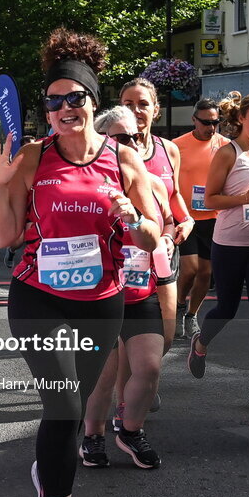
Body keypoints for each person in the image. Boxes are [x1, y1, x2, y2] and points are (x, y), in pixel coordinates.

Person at [0, 28, 161, 497]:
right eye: (53, 101)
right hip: (38, 294)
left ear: (92, 101)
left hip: (102, 298)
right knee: (62, 406)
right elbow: (6, 237)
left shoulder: (124, 161)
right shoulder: (34, 158)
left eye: (74, 98)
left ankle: (46, 474)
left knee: (75, 404)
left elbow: (153, 235)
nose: (64, 108)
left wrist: (133, 219)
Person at [82, 106, 175, 469]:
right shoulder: (90, 182)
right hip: (100, 291)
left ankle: (130, 430)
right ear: (104, 140)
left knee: (150, 366)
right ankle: (92, 435)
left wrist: (166, 238)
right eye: (121, 138)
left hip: (140, 290)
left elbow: (167, 221)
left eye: (135, 137)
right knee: (102, 376)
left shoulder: (149, 182)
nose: (131, 144)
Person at [187, 92, 249, 403]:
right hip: (228, 243)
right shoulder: (228, 153)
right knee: (226, 307)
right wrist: (244, 199)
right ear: (241, 119)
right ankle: (200, 344)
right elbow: (211, 200)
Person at [119, 79, 193, 357]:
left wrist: (186, 219)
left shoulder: (168, 150)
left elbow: (174, 196)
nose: (136, 110)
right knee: (124, 338)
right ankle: (129, 396)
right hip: (124, 255)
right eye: (128, 104)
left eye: (142, 104)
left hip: (162, 253)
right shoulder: (110, 148)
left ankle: (142, 384)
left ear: (155, 110)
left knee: (166, 335)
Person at [172, 99, 230, 340]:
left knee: (206, 273)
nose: (211, 127)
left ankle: (191, 315)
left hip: (213, 217)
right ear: (194, 120)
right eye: (206, 122)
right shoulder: (177, 146)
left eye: (216, 122)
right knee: (190, 270)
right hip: (186, 217)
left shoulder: (225, 145)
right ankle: (177, 307)